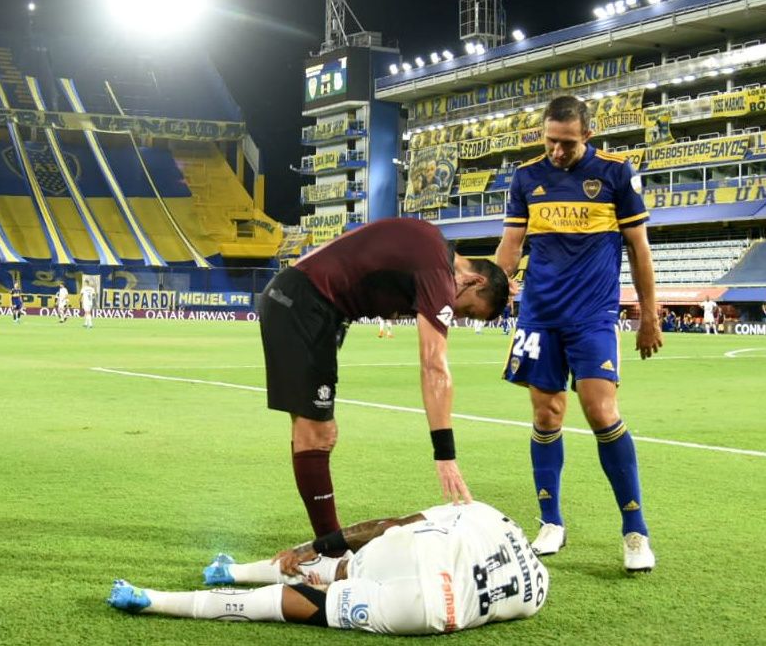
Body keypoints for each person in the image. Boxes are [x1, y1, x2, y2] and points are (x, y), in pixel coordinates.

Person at [258, 217, 509, 546]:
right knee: (316, 433)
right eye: (470, 312)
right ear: (474, 281)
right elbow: (434, 365)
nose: (459, 317)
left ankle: (329, 545)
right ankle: (330, 551)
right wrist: (445, 455)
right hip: (304, 304)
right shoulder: (438, 269)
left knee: (320, 433)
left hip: (311, 305)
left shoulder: (431, 249)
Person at [495, 95, 661, 572]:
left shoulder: (615, 173)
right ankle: (551, 522)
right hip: (539, 315)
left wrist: (648, 315)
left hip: (593, 314)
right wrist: (492, 289)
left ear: (587, 135)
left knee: (600, 410)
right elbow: (511, 244)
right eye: (550, 140)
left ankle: (635, 531)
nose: (557, 150)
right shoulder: (526, 177)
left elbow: (639, 248)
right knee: (546, 413)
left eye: (566, 143)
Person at [108, 500, 547, 635]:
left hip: (414, 557)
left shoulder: (484, 513)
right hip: (430, 613)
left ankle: (233, 572)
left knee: (345, 565)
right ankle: (153, 600)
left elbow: (394, 525)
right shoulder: (536, 595)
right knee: (300, 605)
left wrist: (311, 546)